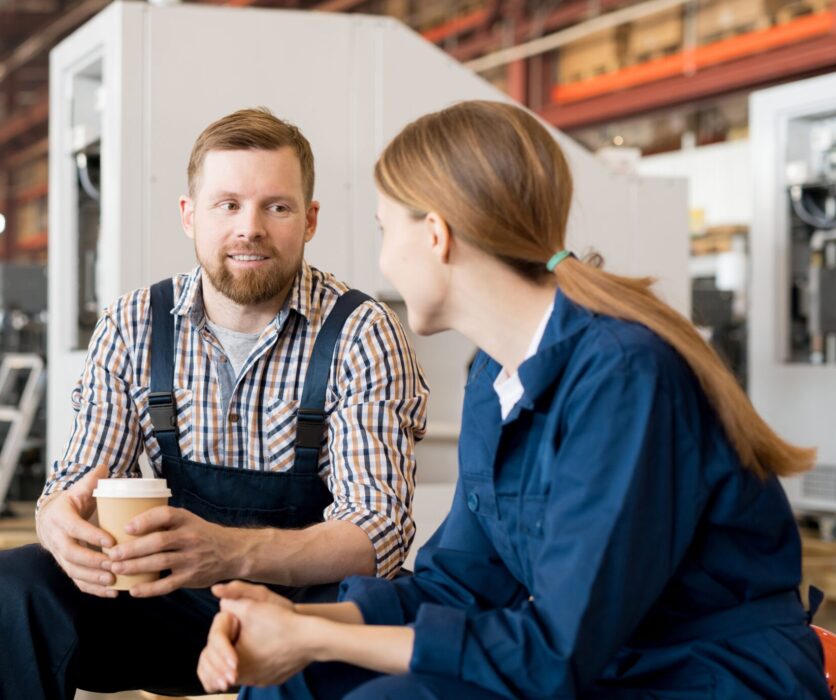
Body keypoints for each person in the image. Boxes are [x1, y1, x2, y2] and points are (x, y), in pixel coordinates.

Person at [195, 100, 828, 699]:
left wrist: (316, 636)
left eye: (386, 231)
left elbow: (556, 652)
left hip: (702, 675)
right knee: (292, 681)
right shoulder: (494, 376)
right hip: (605, 663)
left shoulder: (624, 376)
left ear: (437, 235)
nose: (384, 263)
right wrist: (298, 621)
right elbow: (462, 584)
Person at [0, 107, 429, 699]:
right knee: (8, 587)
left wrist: (230, 552)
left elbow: (379, 532)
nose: (249, 228)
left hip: (300, 611)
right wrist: (56, 521)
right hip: (162, 606)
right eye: (227, 205)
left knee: (392, 607)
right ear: (189, 215)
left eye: (276, 207)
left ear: (309, 220)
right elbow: (80, 475)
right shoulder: (134, 323)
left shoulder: (360, 331)